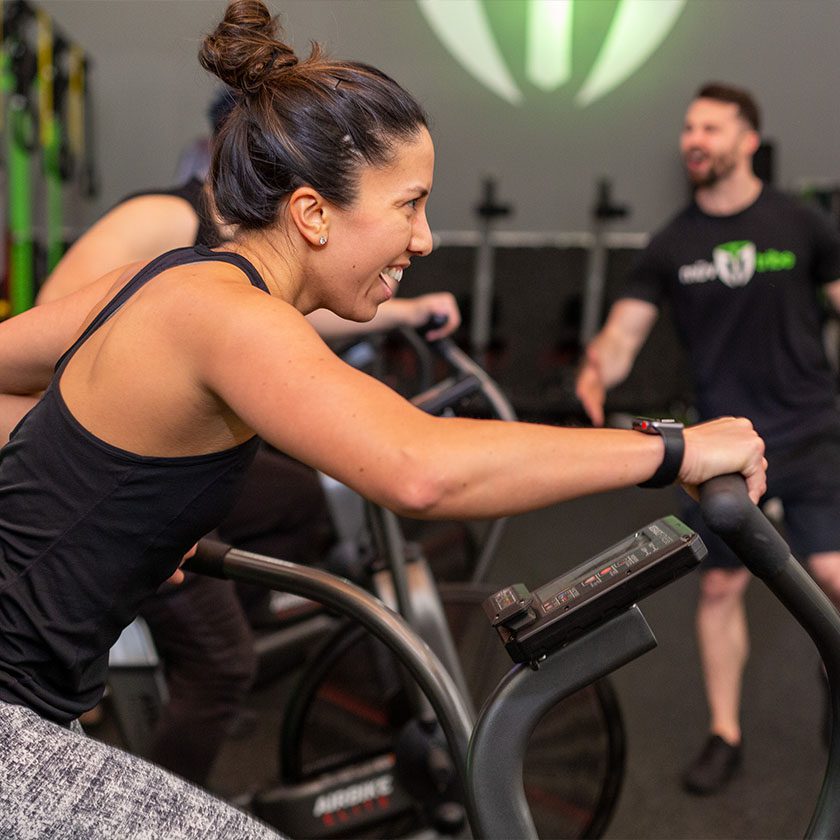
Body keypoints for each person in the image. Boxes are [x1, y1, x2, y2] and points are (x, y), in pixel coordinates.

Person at [0, 2, 765, 833]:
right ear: (313, 214)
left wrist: (110, 495)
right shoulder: (229, 316)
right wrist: (673, 450)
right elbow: (419, 467)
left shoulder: (178, 281)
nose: (426, 238)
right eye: (409, 206)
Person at [33, 90, 462, 788]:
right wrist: (104, 494)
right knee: (221, 660)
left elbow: (286, 315)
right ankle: (196, 703)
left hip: (156, 468)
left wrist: (403, 310)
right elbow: (69, 358)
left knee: (297, 502)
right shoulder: (169, 226)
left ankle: (215, 663)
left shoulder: (247, 257)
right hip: (103, 492)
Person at [576, 81, 840, 795]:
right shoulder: (672, 244)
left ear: (748, 140)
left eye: (711, 128)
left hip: (811, 430)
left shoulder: (802, 224)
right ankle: (724, 733)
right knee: (720, 587)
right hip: (723, 447)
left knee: (833, 578)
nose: (694, 139)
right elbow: (624, 336)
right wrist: (597, 369)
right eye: (688, 128)